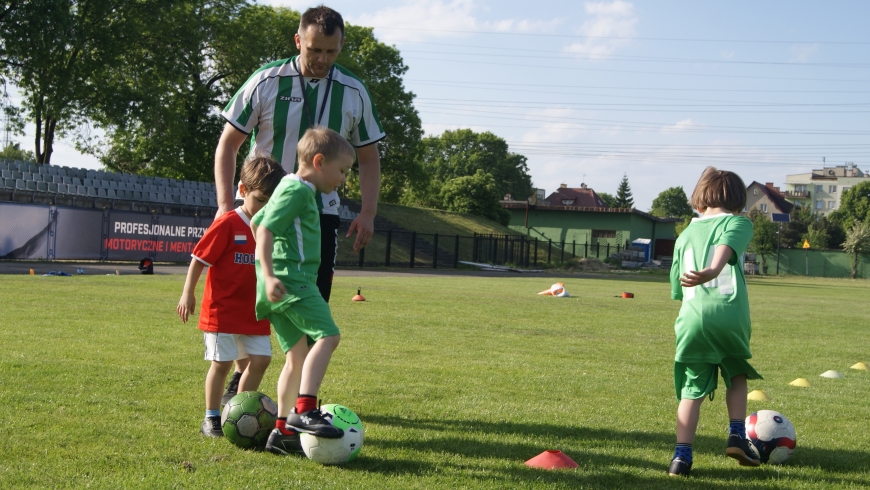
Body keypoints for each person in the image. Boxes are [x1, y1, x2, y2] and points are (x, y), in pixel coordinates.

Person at [251, 127, 355, 455]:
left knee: (296, 358)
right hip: (293, 281)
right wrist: (269, 273)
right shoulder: (297, 190)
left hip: (281, 285)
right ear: (319, 161)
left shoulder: (290, 188)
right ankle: (306, 410)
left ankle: (281, 433)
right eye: (341, 171)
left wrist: (267, 276)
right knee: (328, 336)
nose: (342, 179)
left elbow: (256, 222)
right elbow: (266, 229)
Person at [177, 154, 286, 437]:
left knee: (261, 359)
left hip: (254, 312)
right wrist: (188, 293)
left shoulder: (270, 228)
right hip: (222, 311)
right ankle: (212, 417)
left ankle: (240, 409)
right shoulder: (227, 223)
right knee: (222, 364)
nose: (266, 207)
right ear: (243, 191)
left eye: (272, 201)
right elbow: (199, 258)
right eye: (261, 199)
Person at [667, 166, 762, 477]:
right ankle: (737, 435)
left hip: (692, 319)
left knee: (691, 390)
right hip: (728, 317)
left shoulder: (685, 235)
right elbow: (726, 245)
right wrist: (714, 269)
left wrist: (701, 277)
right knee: (736, 374)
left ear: (700, 200)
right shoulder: (739, 222)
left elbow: (676, 288)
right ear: (738, 199)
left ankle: (681, 458)